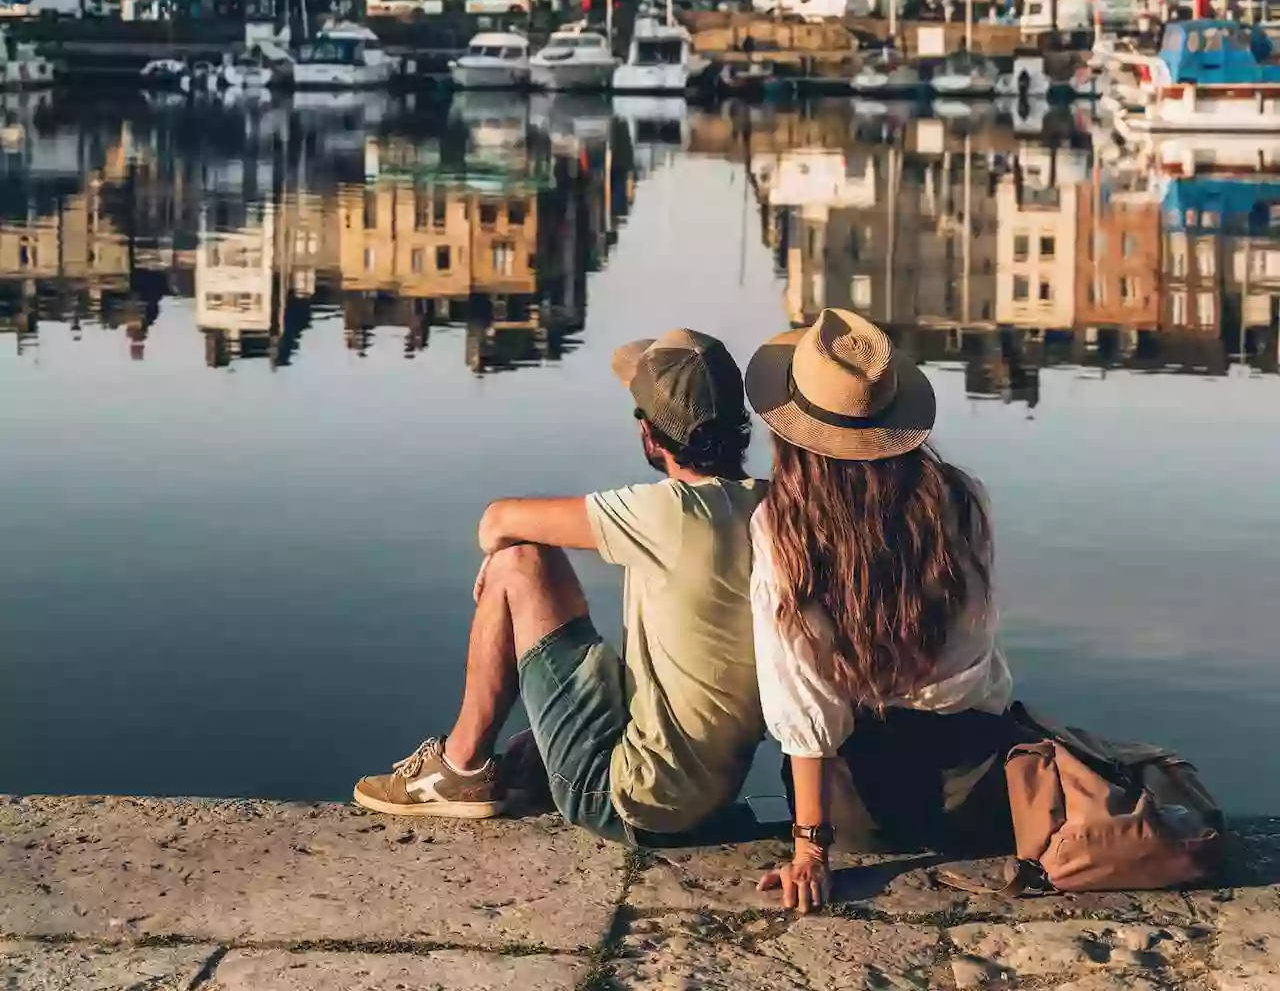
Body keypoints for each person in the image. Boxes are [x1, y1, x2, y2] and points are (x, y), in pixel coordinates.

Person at [354, 329, 765, 844]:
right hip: (708, 793)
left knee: (519, 562)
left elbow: (496, 521)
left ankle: (458, 768)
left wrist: (497, 561)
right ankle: (529, 756)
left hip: (626, 801)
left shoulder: (669, 512)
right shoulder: (767, 508)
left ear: (650, 436)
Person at [744, 307, 1014, 913]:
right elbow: (977, 655)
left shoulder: (782, 528)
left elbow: (801, 694)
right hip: (977, 790)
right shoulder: (962, 501)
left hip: (857, 811)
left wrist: (811, 848)